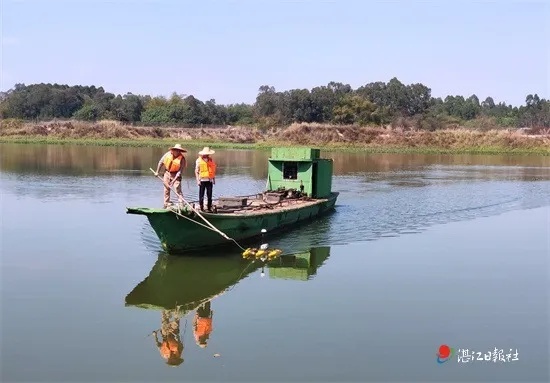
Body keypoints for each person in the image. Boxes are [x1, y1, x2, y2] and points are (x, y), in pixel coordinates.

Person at [154, 144, 187, 208]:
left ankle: (181, 203)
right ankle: (166, 204)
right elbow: (161, 162)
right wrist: (157, 171)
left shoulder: (182, 159)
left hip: (176, 174)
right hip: (167, 173)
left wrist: (173, 180)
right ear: (173, 150)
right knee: (166, 189)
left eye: (179, 151)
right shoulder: (167, 155)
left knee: (177, 188)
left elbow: (180, 171)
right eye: (176, 150)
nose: (177, 152)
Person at [195, 147, 216, 212]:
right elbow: (196, 171)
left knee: (209, 195)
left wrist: (214, 179)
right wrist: (198, 180)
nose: (206, 155)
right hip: (202, 181)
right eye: (205, 153)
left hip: (209, 180)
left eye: (208, 154)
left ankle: (209, 208)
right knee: (201, 196)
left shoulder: (211, 160)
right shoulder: (199, 160)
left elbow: (212, 171)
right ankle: (201, 208)